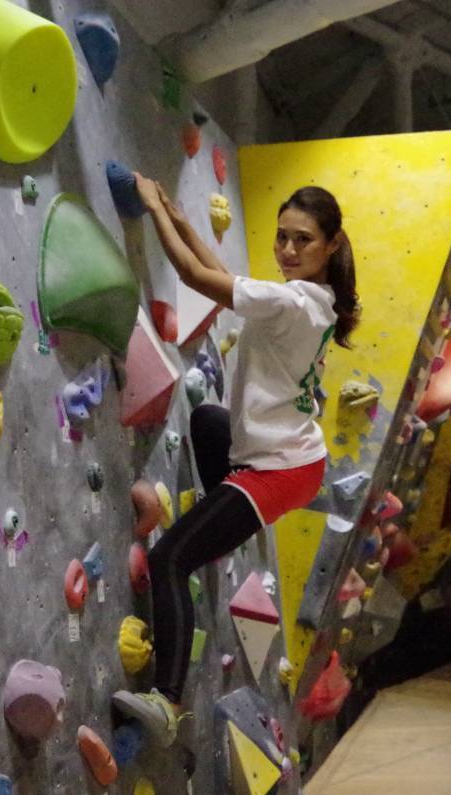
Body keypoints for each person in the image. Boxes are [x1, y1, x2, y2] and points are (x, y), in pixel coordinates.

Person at [112, 175, 360, 747]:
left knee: (170, 558)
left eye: (303, 240)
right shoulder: (310, 299)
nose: (288, 249)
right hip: (292, 454)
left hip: (280, 469)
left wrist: (152, 209)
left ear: (331, 245)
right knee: (207, 421)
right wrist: (181, 219)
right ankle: (220, 522)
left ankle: (167, 703)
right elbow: (225, 279)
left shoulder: (291, 301)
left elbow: (196, 278)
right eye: (282, 237)